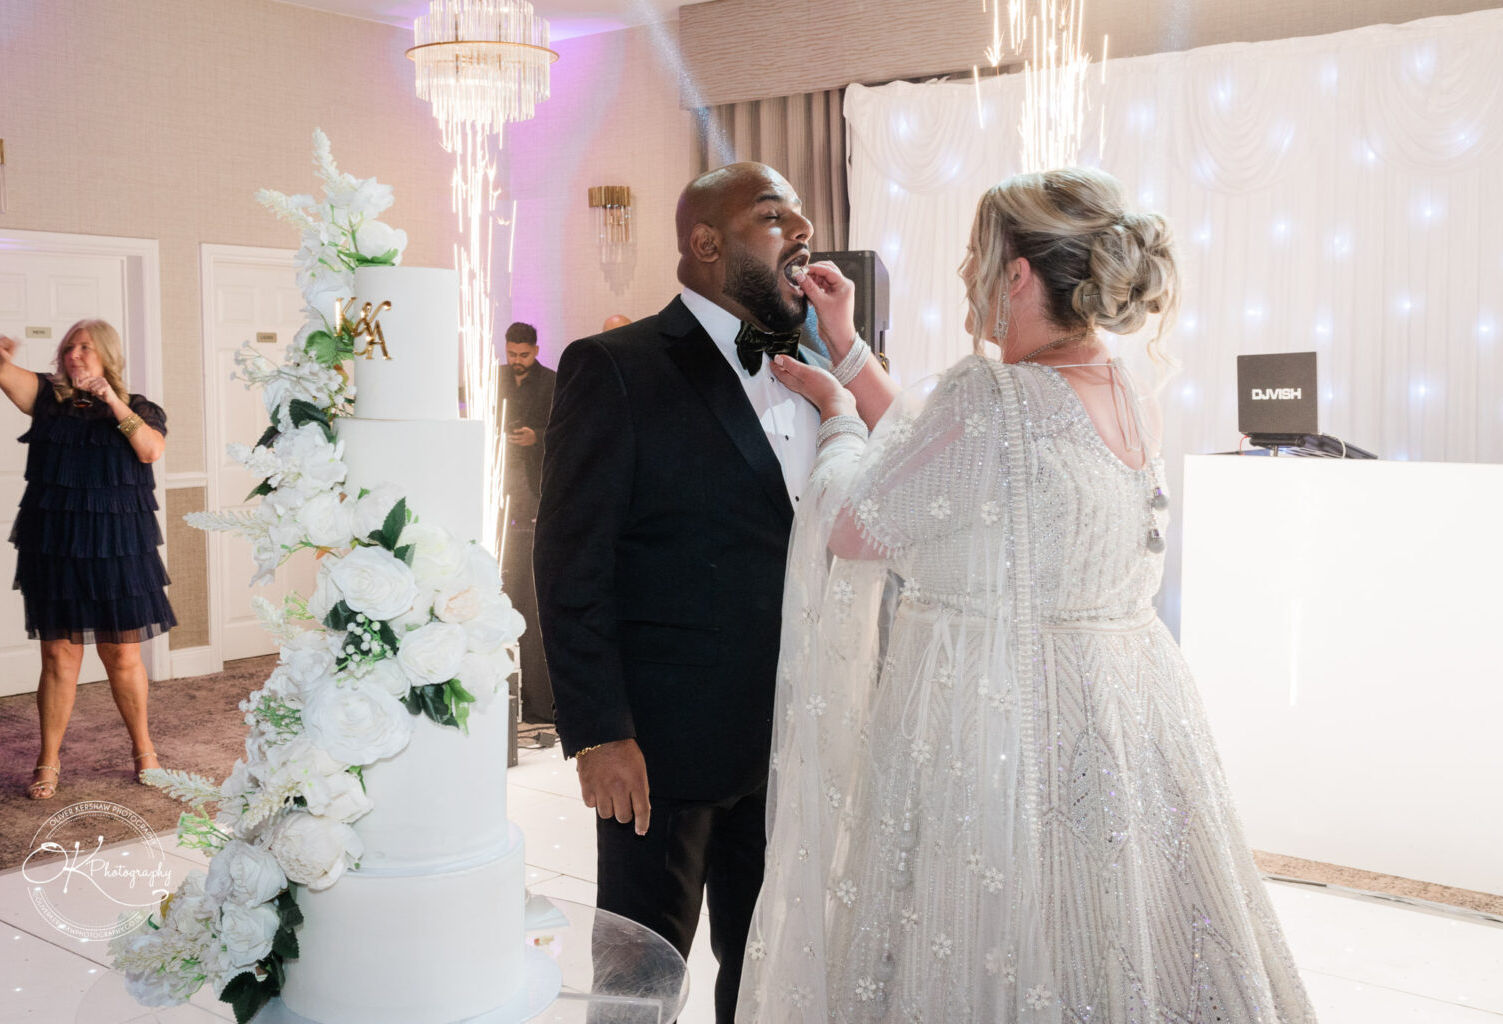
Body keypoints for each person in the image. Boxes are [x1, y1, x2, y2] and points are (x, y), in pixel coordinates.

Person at [737, 167, 1316, 1022]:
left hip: (996, 725)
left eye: (977, 257)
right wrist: (851, 349)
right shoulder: (1121, 386)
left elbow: (859, 525)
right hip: (1125, 724)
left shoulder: (989, 394)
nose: (966, 276)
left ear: (1015, 273)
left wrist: (838, 418)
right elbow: (952, 466)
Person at [534, 162, 830, 1024]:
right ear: (706, 243)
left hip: (788, 738)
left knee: (764, 963)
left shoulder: (815, 366)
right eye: (775, 217)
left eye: (802, 216)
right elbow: (569, 562)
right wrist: (599, 732)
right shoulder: (614, 367)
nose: (801, 232)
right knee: (640, 977)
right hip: (661, 750)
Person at [0, 321, 176, 800]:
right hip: (56, 544)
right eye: (69, 347)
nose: (74, 354)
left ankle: (144, 751)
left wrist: (111, 400)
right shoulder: (47, 399)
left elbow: (150, 449)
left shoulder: (139, 408)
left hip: (119, 545)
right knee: (57, 655)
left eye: (85, 347)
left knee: (122, 653)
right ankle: (48, 759)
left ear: (107, 354)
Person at [497, 321, 556, 724]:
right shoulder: (492, 378)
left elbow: (565, 429)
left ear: (535, 350)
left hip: (534, 488)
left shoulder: (552, 381)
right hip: (497, 486)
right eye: (511, 354)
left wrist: (537, 436)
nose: (516, 362)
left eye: (523, 355)